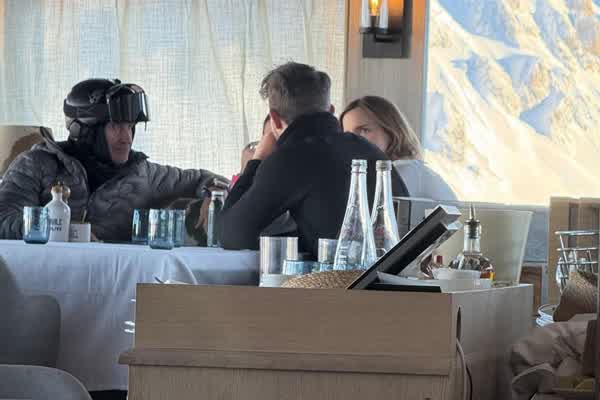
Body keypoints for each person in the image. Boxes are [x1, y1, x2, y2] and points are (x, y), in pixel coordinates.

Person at [219, 62, 408, 257]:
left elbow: (231, 235)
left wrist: (256, 161)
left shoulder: (290, 159)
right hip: (392, 271)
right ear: (331, 110)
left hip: (339, 275)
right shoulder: (368, 150)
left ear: (274, 119)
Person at [0, 78, 225, 242]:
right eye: (116, 126)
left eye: (131, 126)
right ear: (87, 130)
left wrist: (214, 192)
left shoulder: (145, 174)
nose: (127, 137)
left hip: (113, 283)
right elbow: (3, 219)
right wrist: (58, 228)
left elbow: (203, 178)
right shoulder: (36, 163)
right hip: (38, 280)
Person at [340, 96, 457, 201]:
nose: (353, 139)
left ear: (391, 131)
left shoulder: (406, 171)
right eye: (347, 134)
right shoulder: (366, 175)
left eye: (364, 130)